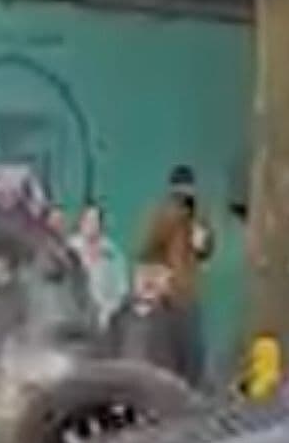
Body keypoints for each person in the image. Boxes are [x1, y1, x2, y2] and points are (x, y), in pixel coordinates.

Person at [105, 260, 200, 386]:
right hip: (122, 392)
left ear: (167, 281)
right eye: (144, 274)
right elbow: (106, 360)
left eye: (156, 274)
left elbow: (190, 367)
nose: (149, 281)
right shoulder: (118, 317)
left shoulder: (179, 320)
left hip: (160, 394)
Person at [139, 165, 214, 309]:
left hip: (188, 294)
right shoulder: (158, 216)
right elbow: (146, 255)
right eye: (179, 193)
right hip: (164, 295)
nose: (183, 198)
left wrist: (202, 247)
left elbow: (205, 261)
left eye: (187, 193)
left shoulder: (199, 219)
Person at [69, 202, 129, 330]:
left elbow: (121, 290)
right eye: (87, 219)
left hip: (103, 321)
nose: (90, 224)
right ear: (80, 222)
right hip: (72, 319)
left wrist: (107, 311)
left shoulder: (112, 253)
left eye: (94, 220)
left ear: (101, 224)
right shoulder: (68, 249)